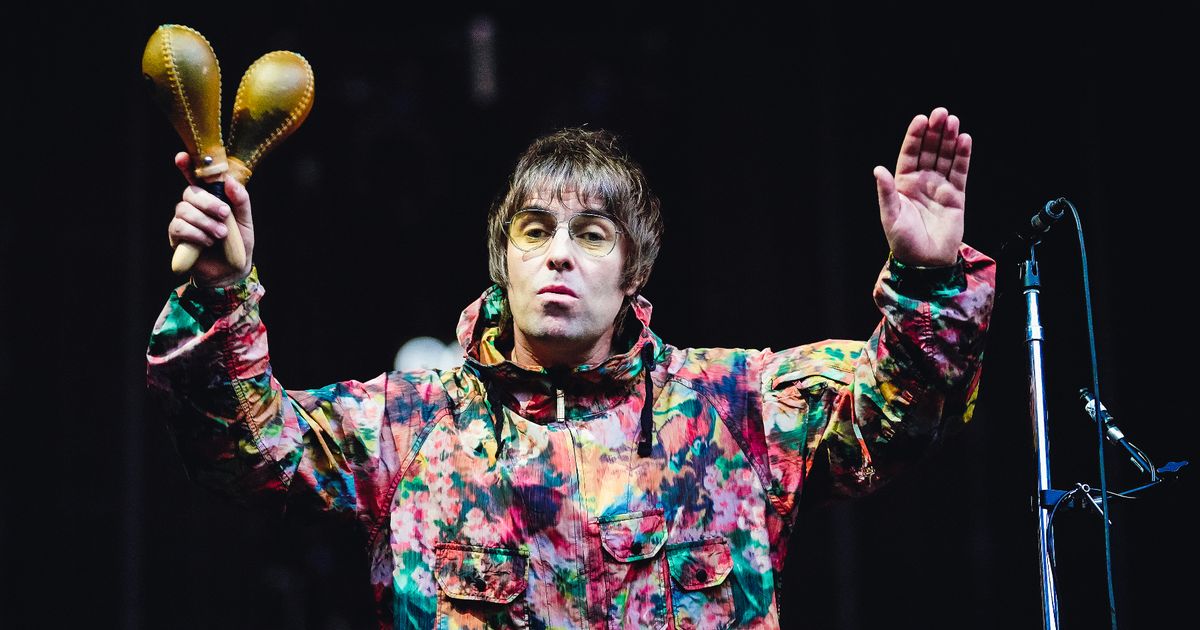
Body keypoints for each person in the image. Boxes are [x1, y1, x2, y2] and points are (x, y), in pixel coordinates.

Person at [148, 107, 995, 629]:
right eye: (534, 231)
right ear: (503, 264)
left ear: (633, 273)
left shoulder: (734, 407)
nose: (559, 253)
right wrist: (219, 293)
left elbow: (898, 414)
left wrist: (927, 278)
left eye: (591, 234)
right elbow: (247, 452)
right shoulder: (412, 425)